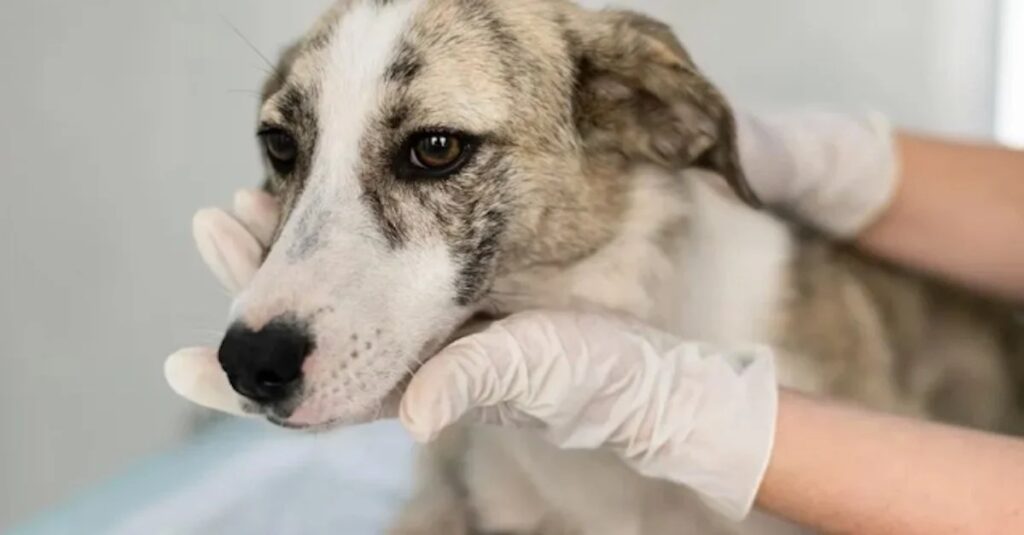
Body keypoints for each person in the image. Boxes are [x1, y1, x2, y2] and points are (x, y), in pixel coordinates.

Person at [182, 110, 1024, 534]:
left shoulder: (804, 320)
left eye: (435, 149)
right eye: (287, 149)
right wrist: (834, 161)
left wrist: (676, 409)